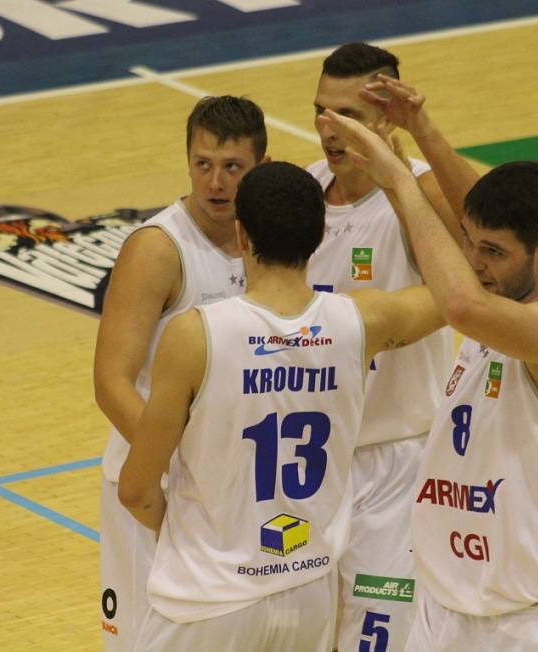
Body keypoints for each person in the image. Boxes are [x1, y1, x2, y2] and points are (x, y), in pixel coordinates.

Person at [319, 99, 538, 651]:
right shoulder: (500, 295)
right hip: (446, 613)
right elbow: (471, 228)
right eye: (470, 245)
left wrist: (399, 182)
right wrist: (425, 132)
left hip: (536, 626)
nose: (474, 262)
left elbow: (461, 305)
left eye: (492, 252)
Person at [117, 161, 445, 651]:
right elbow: (460, 293)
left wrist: (200, 539)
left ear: (242, 234)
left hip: (207, 598)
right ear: (317, 237)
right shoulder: (363, 321)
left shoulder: (194, 334)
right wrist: (400, 177)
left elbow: (137, 490)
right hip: (307, 595)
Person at [93, 95, 268, 651]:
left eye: (232, 167)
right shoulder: (157, 249)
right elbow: (111, 382)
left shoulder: (268, 240)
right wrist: (178, 461)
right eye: (202, 164)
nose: (215, 182)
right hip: (156, 486)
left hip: (234, 490)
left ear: (260, 167)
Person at [307, 42, 457, 652]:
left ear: (388, 118)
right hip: (309, 463)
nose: (329, 130)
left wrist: (419, 143)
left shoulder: (419, 199)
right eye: (321, 111)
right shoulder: (298, 193)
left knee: (378, 637)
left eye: (349, 116)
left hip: (395, 465)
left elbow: (477, 247)